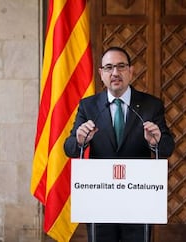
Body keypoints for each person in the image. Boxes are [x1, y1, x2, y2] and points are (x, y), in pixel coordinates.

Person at [64, 46, 175, 242]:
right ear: (101, 74)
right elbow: (70, 147)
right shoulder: (88, 106)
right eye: (109, 67)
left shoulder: (151, 105)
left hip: (138, 197)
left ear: (131, 71)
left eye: (121, 66)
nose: (115, 73)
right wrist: (80, 140)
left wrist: (155, 142)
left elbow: (167, 147)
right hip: (100, 197)